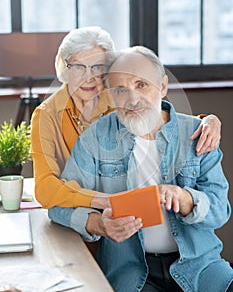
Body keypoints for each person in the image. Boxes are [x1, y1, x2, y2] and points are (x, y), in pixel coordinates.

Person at [48, 46, 233, 292]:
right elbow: (59, 204)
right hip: (131, 273)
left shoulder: (199, 134)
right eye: (121, 90)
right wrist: (99, 224)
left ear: (163, 87)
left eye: (142, 85)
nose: (132, 99)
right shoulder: (96, 138)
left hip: (201, 267)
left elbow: (220, 211)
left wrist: (186, 199)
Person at [30, 26, 221, 212]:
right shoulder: (47, 115)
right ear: (65, 67)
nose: (88, 78)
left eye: (98, 67)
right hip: (80, 220)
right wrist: (107, 201)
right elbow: (45, 188)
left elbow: (159, 119)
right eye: (79, 67)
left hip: (126, 223)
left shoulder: (118, 96)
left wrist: (207, 121)